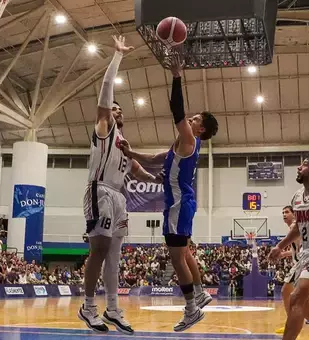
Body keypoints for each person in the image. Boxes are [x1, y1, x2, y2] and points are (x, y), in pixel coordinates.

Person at [120, 57, 218, 332]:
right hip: (181, 202)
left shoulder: (189, 139)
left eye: (196, 119)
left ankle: (191, 309)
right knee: (184, 253)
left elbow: (176, 110)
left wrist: (177, 76)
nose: (191, 118)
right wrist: (131, 153)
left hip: (178, 203)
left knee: (176, 258)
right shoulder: (180, 145)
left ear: (200, 130)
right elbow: (155, 158)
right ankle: (198, 293)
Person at [78, 35, 163, 335]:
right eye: (113, 108)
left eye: (119, 109)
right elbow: (105, 91)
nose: (117, 111)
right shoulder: (104, 128)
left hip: (119, 197)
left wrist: (156, 180)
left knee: (114, 256)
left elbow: (136, 169)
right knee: (98, 249)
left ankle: (112, 308)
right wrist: (117, 56)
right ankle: (88, 306)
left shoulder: (123, 142)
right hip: (99, 190)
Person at [269, 155, 309, 339]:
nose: (299, 167)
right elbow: (299, 228)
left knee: (296, 298)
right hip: (307, 254)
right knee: (306, 307)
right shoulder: (297, 196)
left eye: (305, 164)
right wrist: (279, 246)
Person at [275, 205, 309, 334]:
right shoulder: (294, 228)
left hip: (304, 262)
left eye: (287, 212)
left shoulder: (297, 227)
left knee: (288, 292)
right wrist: (284, 254)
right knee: (301, 296)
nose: (284, 215)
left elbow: (304, 246)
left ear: (294, 214)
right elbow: (296, 250)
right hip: (300, 262)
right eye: (283, 212)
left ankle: (292, 322)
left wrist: (280, 248)